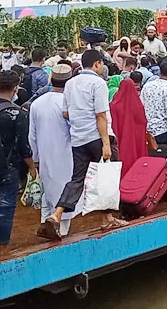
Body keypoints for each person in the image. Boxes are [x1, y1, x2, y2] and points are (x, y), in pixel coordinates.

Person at [42, 50, 126, 240]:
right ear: (96, 64)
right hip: (97, 136)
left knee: (76, 180)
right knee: (106, 177)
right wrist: (106, 142)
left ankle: (57, 214)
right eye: (101, 64)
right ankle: (107, 219)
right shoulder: (98, 83)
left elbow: (66, 113)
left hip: (78, 139)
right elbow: (101, 115)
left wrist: (80, 119)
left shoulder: (70, 83)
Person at [0, 71, 37, 254]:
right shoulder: (18, 114)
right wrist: (32, 167)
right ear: (16, 88)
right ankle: (2, 250)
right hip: (8, 166)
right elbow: (23, 146)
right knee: (6, 205)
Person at [30, 64, 77, 239]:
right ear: (69, 81)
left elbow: (32, 135)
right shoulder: (68, 103)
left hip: (44, 154)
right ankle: (60, 230)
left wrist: (35, 158)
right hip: (66, 155)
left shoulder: (37, 103)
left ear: (51, 79)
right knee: (64, 192)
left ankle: (46, 222)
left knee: (48, 191)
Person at [111, 78, 149, 178]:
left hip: (121, 139)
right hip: (136, 140)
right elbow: (144, 122)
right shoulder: (138, 105)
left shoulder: (114, 105)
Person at [140, 59, 167, 144]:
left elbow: (141, 105)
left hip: (146, 129)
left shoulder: (147, 86)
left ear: (159, 71)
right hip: (162, 131)